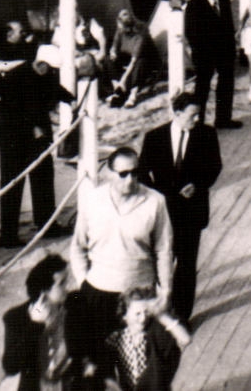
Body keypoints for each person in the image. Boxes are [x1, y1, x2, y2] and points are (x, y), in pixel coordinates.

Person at [67, 147, 173, 365]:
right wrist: (83, 282)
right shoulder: (93, 200)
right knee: (99, 365)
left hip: (139, 296)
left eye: (135, 172)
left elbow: (164, 250)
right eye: (123, 174)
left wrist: (166, 291)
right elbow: (78, 246)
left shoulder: (155, 201)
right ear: (108, 173)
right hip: (98, 294)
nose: (130, 179)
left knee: (138, 366)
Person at [0, 23, 75, 248]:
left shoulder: (45, 74)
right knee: (13, 183)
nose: (49, 71)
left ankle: (46, 224)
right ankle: (8, 235)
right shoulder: (15, 76)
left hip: (37, 134)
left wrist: (70, 98)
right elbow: (13, 108)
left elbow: (56, 89)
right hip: (13, 135)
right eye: (47, 67)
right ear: (39, 62)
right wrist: (34, 128)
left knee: (43, 178)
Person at [136, 95, 222, 328]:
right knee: (157, 262)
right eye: (192, 114)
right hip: (163, 212)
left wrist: (198, 183)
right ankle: (153, 309)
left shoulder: (207, 134)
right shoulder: (155, 137)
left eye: (199, 114)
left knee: (185, 264)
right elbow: (142, 172)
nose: (197, 118)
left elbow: (215, 166)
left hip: (192, 211)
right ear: (177, 114)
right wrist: (161, 193)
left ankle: (182, 315)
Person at [2, 254, 75, 391]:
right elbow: (10, 367)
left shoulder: (73, 306)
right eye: (62, 283)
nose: (68, 286)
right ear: (44, 291)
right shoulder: (16, 317)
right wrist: (35, 325)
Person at [182, 0, 241, 128]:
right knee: (202, 88)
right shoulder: (194, 4)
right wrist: (199, 52)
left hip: (225, 50)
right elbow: (191, 33)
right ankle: (198, 123)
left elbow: (228, 23)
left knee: (226, 84)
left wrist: (233, 46)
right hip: (204, 53)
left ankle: (223, 119)